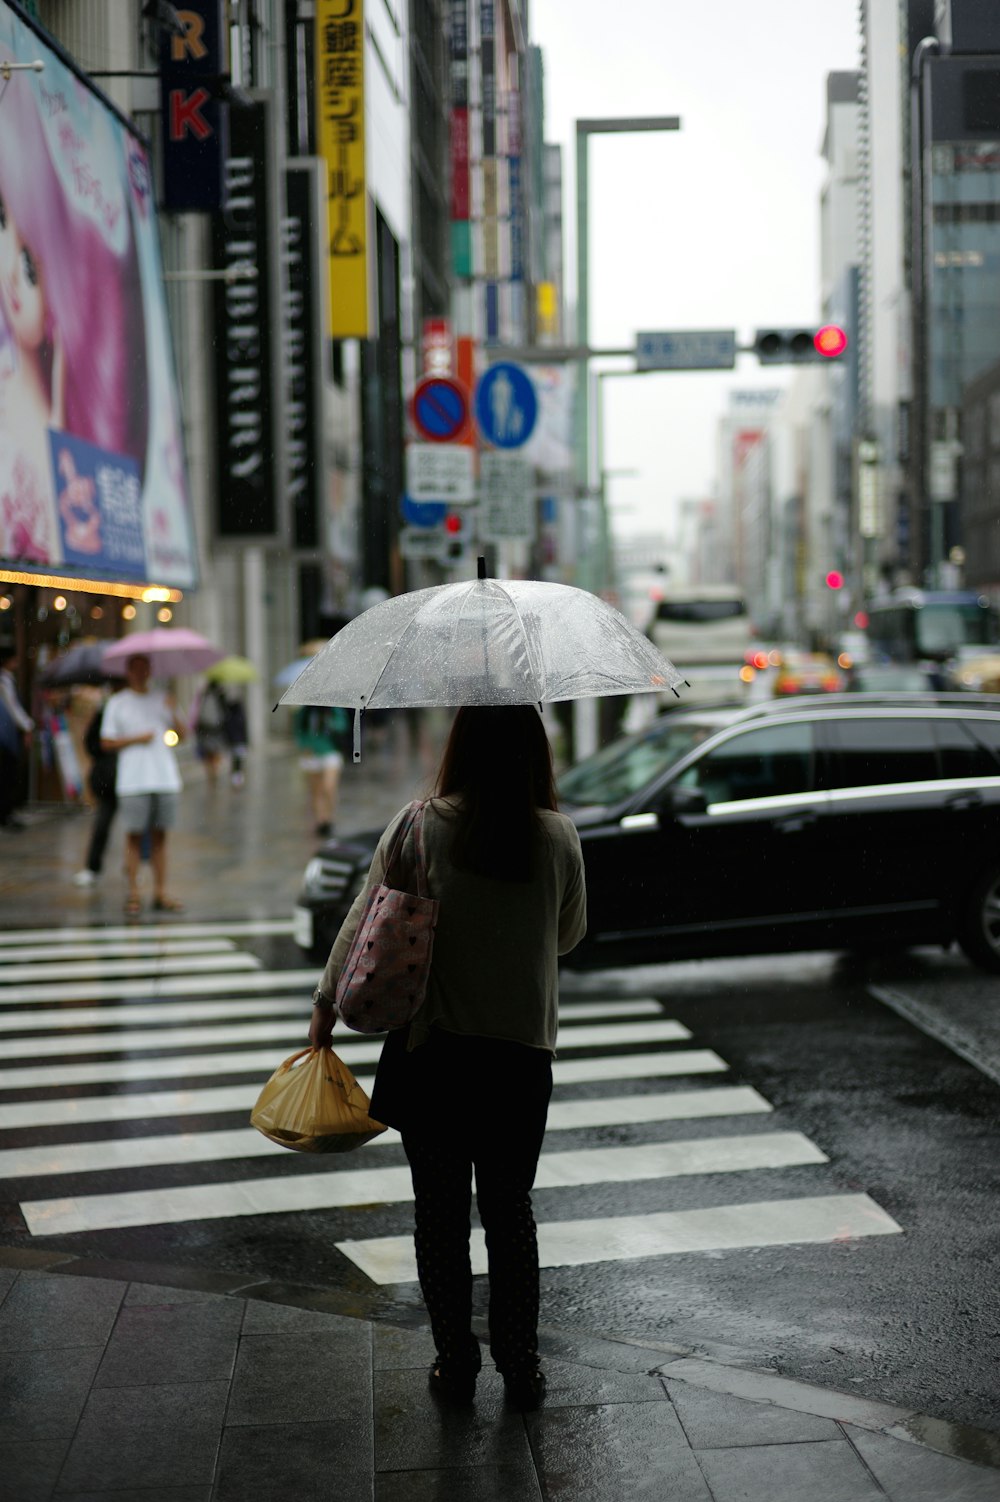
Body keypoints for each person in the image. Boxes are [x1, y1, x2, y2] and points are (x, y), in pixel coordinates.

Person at [309, 705, 587, 1410]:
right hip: (518, 1060)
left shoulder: (419, 824)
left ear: (458, 748)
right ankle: (521, 1365)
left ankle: (453, 1360)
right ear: (536, 752)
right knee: (509, 1212)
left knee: (438, 1216)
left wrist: (323, 1007)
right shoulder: (556, 835)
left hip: (431, 1056)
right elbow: (568, 936)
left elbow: (364, 919)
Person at [100, 653, 186, 916]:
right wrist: (136, 739)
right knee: (134, 837)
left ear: (150, 670)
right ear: (128, 672)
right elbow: (106, 742)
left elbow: (183, 735)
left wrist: (173, 711)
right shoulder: (118, 703)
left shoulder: (162, 698)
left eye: (144, 668)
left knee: (161, 838)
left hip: (164, 777)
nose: (140, 673)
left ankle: (160, 891)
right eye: (135, 669)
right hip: (133, 780)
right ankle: (134, 893)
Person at [73, 685, 121, 887]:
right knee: (103, 821)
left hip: (133, 775)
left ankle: (135, 866)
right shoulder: (105, 711)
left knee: (139, 826)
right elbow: (93, 745)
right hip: (110, 776)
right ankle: (93, 866)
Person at [294, 704, 351, 836]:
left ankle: (330, 818)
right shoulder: (305, 711)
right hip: (311, 753)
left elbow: (342, 726)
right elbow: (298, 730)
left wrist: (329, 721)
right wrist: (304, 745)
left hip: (331, 751)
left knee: (329, 788)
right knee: (316, 791)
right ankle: (321, 821)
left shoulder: (334, 709)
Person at [0, 639, 33, 830]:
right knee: (7, 774)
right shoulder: (5, 680)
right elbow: (13, 708)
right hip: (5, 735)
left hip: (5, 733)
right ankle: (6, 814)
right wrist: (28, 725)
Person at [190, 680, 228, 787]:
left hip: (205, 730)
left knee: (207, 754)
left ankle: (210, 774)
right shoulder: (220, 696)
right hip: (216, 730)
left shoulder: (203, 695)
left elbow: (195, 712)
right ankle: (215, 771)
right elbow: (225, 714)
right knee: (215, 753)